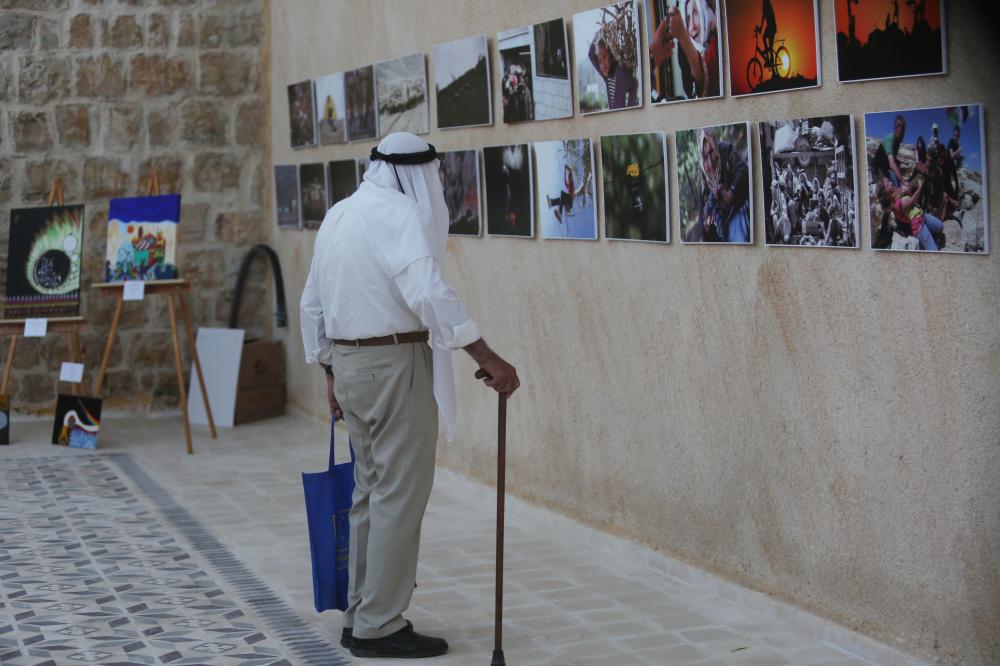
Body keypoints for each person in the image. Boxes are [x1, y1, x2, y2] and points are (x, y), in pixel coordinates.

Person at [300, 132, 520, 659]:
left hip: (350, 366)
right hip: (394, 365)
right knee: (399, 493)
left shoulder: (339, 214)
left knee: (370, 491)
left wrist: (330, 370)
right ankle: (379, 624)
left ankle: (361, 614)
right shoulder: (397, 213)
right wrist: (486, 355)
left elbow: (313, 303)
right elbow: (428, 293)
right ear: (413, 173)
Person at [650, 0, 720, 99]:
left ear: (707, 13)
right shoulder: (684, 55)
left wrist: (682, 35)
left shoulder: (719, 43)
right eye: (688, 19)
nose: (692, 27)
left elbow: (707, 80)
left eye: (696, 13)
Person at [694, 129, 751, 242]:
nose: (710, 162)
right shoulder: (704, 186)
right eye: (705, 157)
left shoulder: (725, 152)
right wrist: (707, 223)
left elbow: (743, 171)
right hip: (723, 236)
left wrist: (731, 193)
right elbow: (701, 227)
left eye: (711, 152)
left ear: (716, 148)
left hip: (740, 219)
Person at [877, 178, 944, 250]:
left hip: (923, 217)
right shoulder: (897, 204)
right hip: (919, 226)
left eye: (889, 181)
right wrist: (920, 186)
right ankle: (931, 245)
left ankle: (931, 240)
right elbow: (913, 200)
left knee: (940, 226)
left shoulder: (897, 192)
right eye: (887, 185)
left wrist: (907, 188)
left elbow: (907, 190)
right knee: (933, 249)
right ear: (886, 195)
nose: (890, 182)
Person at [589, 35, 638, 110]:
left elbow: (633, 82)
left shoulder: (621, 73)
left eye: (604, 57)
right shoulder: (607, 76)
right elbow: (591, 54)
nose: (602, 65)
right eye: (600, 60)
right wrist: (600, 32)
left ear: (611, 56)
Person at [871, 114, 907, 186]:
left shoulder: (897, 143)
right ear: (896, 128)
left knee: (897, 183)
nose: (901, 130)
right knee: (890, 186)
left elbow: (892, 161)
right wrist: (903, 181)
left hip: (885, 168)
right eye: (899, 126)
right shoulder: (890, 138)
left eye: (903, 128)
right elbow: (892, 163)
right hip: (877, 167)